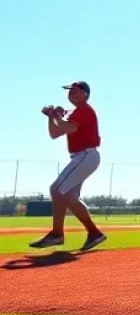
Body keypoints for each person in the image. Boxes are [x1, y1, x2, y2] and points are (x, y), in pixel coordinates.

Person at [30, 81, 106, 252]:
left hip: (87, 155)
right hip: (82, 157)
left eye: (75, 90)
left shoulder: (84, 110)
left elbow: (64, 127)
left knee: (56, 189)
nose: (70, 92)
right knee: (70, 198)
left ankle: (57, 233)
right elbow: (55, 133)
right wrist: (51, 117)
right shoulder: (75, 113)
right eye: (69, 90)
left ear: (85, 94)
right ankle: (94, 233)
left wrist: (57, 116)